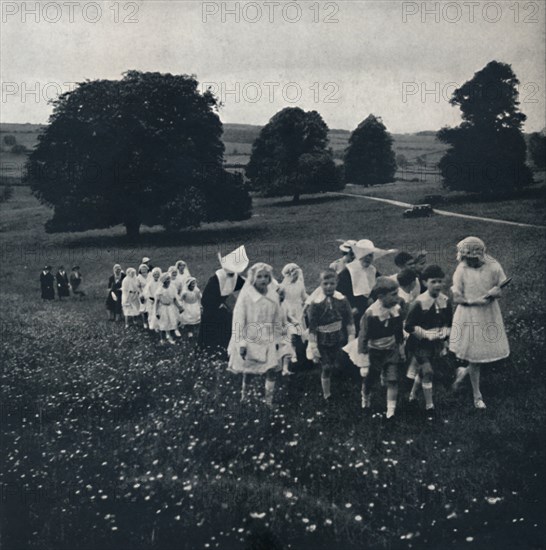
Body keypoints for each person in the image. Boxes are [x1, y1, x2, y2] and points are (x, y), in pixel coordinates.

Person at [449, 237, 510, 409]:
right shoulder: (461, 269)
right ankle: (477, 395)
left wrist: (495, 292)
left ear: (481, 255)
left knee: (482, 354)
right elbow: (457, 297)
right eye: (468, 258)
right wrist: (475, 302)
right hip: (469, 314)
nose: (471, 261)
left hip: (489, 314)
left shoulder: (493, 266)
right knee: (474, 355)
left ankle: (464, 372)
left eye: (474, 258)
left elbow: (501, 285)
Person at [227, 263, 283, 407]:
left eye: (266, 276)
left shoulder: (273, 296)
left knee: (272, 368)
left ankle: (268, 401)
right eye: (259, 277)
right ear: (253, 278)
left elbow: (277, 318)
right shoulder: (246, 297)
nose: (263, 280)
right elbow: (238, 320)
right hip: (250, 337)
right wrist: (241, 343)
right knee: (249, 370)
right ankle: (244, 396)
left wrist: (278, 338)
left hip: (268, 337)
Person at [404, 265, 452, 416]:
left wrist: (445, 332)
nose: (437, 285)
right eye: (433, 282)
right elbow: (408, 326)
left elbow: (449, 322)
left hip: (436, 342)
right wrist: (425, 333)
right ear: (425, 283)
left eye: (440, 281)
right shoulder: (419, 302)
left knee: (423, 372)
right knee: (428, 371)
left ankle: (412, 395)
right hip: (419, 343)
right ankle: (429, 406)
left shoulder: (445, 301)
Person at [358, 277, 405, 420]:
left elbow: (398, 331)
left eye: (397, 293)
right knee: (370, 379)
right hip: (374, 351)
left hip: (391, 349)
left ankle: (391, 411)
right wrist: (364, 360)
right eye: (394, 295)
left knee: (393, 379)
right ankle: (365, 397)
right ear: (381, 297)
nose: (398, 297)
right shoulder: (371, 314)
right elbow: (363, 337)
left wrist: (401, 348)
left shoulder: (397, 310)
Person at [307, 268, 355, 401]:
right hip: (322, 338)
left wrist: (351, 337)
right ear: (320, 284)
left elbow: (349, 319)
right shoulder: (315, 304)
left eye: (332, 284)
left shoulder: (342, 300)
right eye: (325, 283)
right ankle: (327, 394)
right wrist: (313, 345)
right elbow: (312, 326)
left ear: (337, 283)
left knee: (339, 363)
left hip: (338, 336)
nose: (329, 287)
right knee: (326, 366)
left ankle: (341, 384)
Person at [198, 245, 248, 355]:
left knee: (228, 326)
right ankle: (209, 351)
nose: (231, 274)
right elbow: (206, 298)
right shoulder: (216, 279)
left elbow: (245, 284)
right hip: (211, 309)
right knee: (211, 329)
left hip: (223, 309)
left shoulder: (235, 277)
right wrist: (217, 305)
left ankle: (225, 350)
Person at [337, 239, 396, 332]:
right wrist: (352, 307)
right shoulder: (348, 271)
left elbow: (380, 283)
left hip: (369, 307)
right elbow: (341, 293)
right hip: (353, 308)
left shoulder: (372, 270)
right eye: (366, 255)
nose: (369, 258)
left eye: (371, 255)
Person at [279, 263, 309, 370]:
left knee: (300, 331)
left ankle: (303, 352)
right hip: (288, 309)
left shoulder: (300, 284)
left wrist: (310, 300)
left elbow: (304, 296)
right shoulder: (283, 286)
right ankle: (292, 353)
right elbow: (280, 298)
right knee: (291, 333)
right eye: (295, 275)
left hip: (298, 309)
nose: (297, 277)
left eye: (298, 275)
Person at [154, 273, 184, 345]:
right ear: (163, 281)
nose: (168, 281)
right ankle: (162, 339)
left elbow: (174, 299)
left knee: (172, 321)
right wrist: (156, 312)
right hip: (163, 308)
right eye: (167, 279)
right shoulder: (160, 290)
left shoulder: (172, 288)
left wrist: (179, 307)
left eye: (169, 279)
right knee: (163, 322)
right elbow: (157, 302)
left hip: (171, 307)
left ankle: (170, 336)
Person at [144, 267, 162, 332]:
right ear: (153, 275)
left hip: (159, 300)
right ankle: (152, 325)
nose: (156, 276)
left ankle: (158, 325)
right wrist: (150, 298)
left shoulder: (161, 283)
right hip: (152, 300)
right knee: (151, 312)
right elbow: (146, 291)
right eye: (155, 274)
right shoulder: (150, 283)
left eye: (158, 274)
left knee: (158, 312)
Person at [136, 264, 150, 328]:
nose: (143, 270)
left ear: (147, 269)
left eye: (145, 269)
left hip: (150, 293)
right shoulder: (139, 277)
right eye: (142, 269)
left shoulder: (150, 275)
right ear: (140, 270)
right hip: (143, 293)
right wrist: (141, 293)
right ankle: (145, 323)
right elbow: (138, 287)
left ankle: (150, 322)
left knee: (150, 308)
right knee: (144, 309)